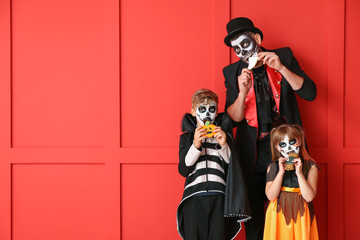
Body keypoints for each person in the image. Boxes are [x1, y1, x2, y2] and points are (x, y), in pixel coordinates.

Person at [223, 17, 317, 240]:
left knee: (291, 211)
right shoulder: (232, 72)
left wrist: (282, 68)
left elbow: (310, 93)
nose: (242, 51)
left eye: (245, 44)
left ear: (257, 38)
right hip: (253, 154)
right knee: (255, 218)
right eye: (236, 48)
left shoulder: (283, 56)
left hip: (286, 148)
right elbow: (233, 120)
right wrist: (242, 93)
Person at [176, 89, 251, 240]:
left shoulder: (225, 136)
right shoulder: (187, 138)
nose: (207, 114)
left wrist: (224, 145)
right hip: (194, 198)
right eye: (202, 109)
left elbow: (232, 167)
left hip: (220, 198)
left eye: (211, 109)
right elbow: (184, 169)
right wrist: (196, 145)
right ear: (193, 111)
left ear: (217, 112)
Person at [264, 124, 319, 240]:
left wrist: (299, 173)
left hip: (301, 213)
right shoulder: (273, 167)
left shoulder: (311, 167)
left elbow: (309, 197)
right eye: (283, 144)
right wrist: (280, 172)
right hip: (278, 213)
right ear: (277, 147)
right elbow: (271, 196)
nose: (288, 148)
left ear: (299, 140)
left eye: (292, 142)